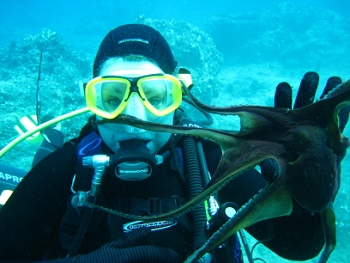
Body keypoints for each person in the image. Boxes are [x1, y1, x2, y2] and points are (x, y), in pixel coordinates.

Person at [0, 24, 344, 263]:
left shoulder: (210, 162)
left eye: (155, 95)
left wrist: (308, 187)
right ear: (91, 99)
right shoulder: (63, 171)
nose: (134, 115)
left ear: (177, 98)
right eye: (111, 96)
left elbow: (300, 245)